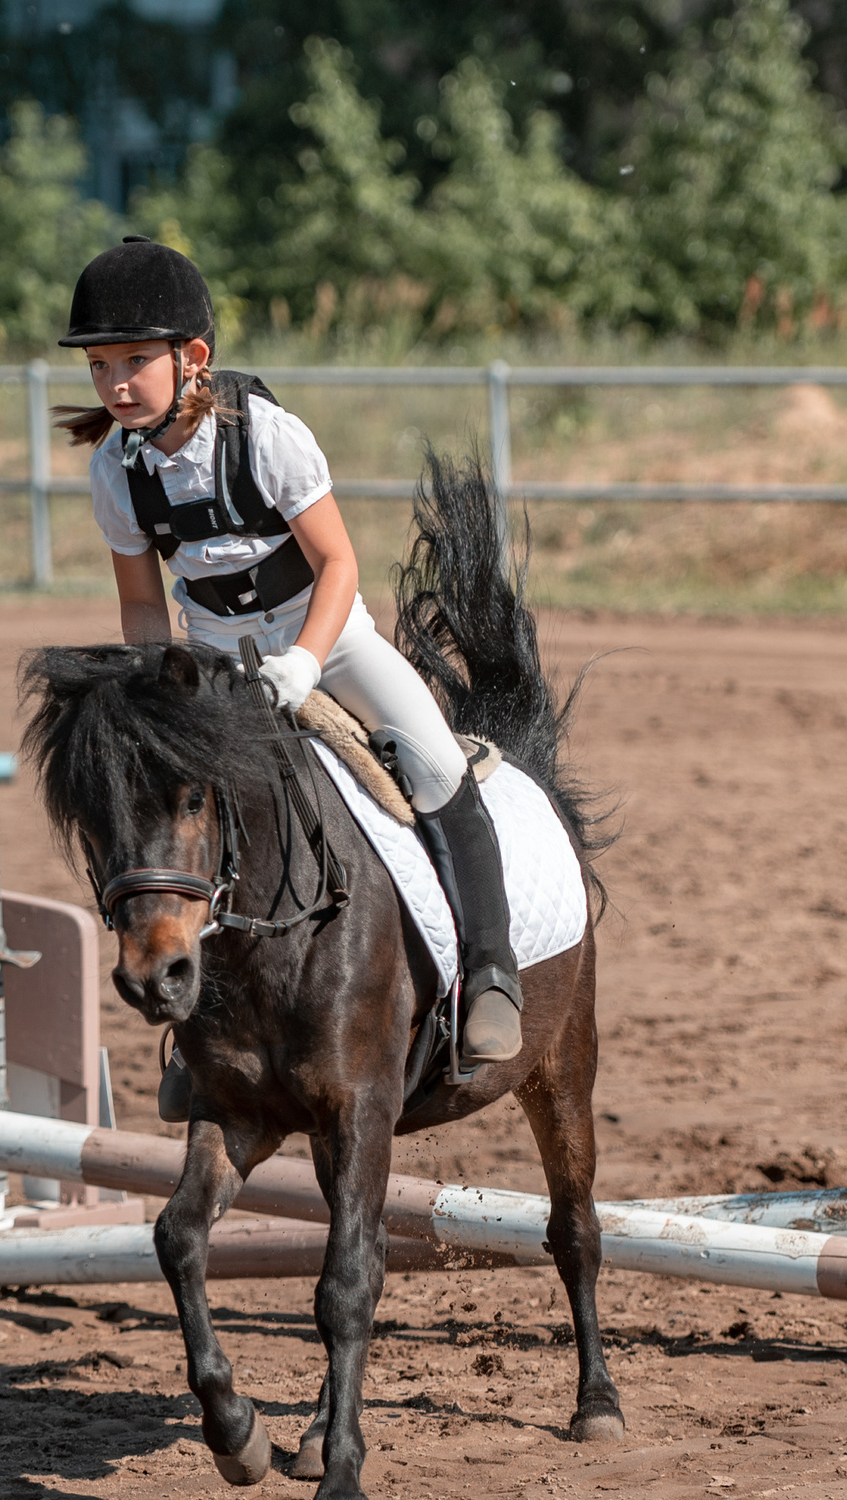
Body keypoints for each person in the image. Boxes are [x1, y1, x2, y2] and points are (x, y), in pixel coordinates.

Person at [59, 237, 523, 1066]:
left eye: (133, 361)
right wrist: (161, 696)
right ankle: (196, 1034)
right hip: (211, 657)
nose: (115, 384)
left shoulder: (266, 437)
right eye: (99, 367)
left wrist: (305, 661)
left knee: (434, 766)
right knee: (180, 817)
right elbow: (140, 602)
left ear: (192, 357)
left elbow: (338, 562)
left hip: (327, 639)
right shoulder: (113, 470)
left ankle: (489, 974)